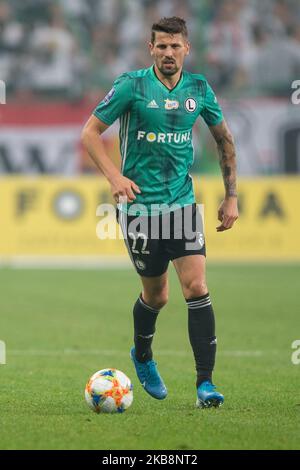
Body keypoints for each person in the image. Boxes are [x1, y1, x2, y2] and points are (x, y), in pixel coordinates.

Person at [81, 17, 238, 408]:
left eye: (175, 46)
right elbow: (89, 133)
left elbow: (224, 140)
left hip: (182, 204)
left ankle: (205, 384)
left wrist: (231, 195)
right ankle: (143, 356)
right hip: (138, 209)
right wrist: (115, 177)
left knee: (197, 287)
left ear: (187, 48)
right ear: (150, 49)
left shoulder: (199, 88)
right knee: (157, 295)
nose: (169, 53)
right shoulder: (131, 85)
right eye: (162, 46)